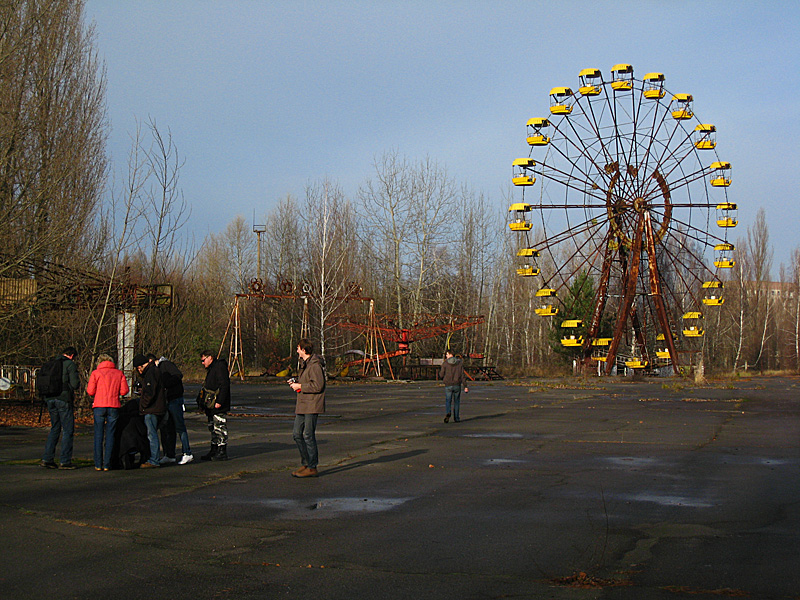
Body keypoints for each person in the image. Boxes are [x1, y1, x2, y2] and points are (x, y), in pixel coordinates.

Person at [288, 338, 325, 478]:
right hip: (303, 404)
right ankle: (306, 463)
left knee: (308, 435)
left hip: (312, 405)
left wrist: (300, 386)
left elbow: (318, 385)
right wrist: (296, 383)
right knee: (297, 434)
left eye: (298, 348)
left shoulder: (315, 366)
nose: (297, 350)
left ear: (303, 350)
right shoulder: (305, 365)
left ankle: (312, 466)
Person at [86, 353, 129, 471]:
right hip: (114, 405)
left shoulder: (96, 373)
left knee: (98, 435)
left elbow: (90, 391)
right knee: (111, 435)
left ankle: (98, 463)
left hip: (99, 405)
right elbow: (124, 391)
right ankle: (107, 464)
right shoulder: (118, 373)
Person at [41, 346, 81, 469]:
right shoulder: (70, 364)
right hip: (63, 399)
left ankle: (47, 458)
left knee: (55, 428)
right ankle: (65, 460)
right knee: (68, 430)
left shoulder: (50, 363)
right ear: (72, 355)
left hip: (49, 399)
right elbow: (75, 384)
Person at [155, 355, 193, 465]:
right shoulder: (162, 368)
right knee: (168, 427)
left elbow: (178, 375)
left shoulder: (165, 365)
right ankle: (169, 454)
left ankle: (187, 452)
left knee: (179, 426)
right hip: (169, 400)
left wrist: (165, 385)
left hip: (174, 399)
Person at [133, 353, 166, 468]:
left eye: (138, 368)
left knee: (151, 435)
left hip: (152, 409)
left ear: (141, 366)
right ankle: (152, 457)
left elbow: (150, 393)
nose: (139, 371)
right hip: (157, 408)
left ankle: (154, 459)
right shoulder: (155, 371)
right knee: (152, 434)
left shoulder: (151, 373)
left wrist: (143, 405)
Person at [198, 350, 230, 461]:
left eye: (203, 360)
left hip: (218, 404)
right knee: (212, 427)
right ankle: (214, 448)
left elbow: (224, 385)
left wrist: (220, 401)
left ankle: (222, 450)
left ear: (210, 357)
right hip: (210, 404)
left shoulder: (220, 367)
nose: (202, 363)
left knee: (219, 426)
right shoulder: (211, 369)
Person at [438, 350, 468, 423]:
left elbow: (441, 375)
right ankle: (456, 418)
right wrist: (465, 386)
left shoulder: (445, 364)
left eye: (447, 354)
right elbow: (462, 375)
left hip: (448, 385)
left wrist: (442, 376)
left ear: (450, 354)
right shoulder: (459, 363)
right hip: (457, 384)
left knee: (448, 400)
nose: (446, 356)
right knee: (456, 402)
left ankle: (448, 412)